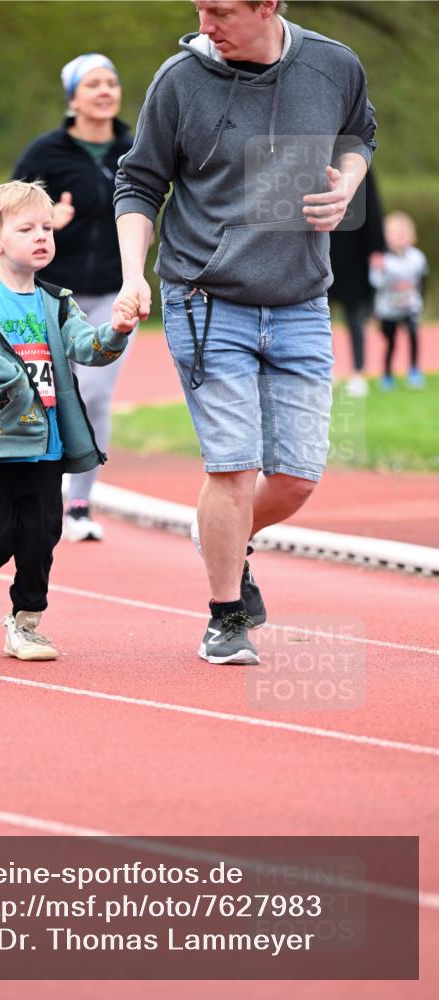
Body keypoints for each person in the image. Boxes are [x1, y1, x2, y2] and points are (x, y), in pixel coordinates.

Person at [113, 0, 376, 665]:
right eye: (199, 9)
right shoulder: (179, 80)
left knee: (294, 479)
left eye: (221, 12)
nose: (205, 25)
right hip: (206, 297)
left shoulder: (333, 65)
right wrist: (131, 275)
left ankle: (221, 535)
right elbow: (138, 181)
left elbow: (359, 137)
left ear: (269, 7)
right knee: (233, 465)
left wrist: (345, 185)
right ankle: (225, 616)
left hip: (299, 299)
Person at [0, 181, 137, 661]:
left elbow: (88, 348)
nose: (41, 237)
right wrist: (11, 375)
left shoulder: (58, 301)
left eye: (47, 228)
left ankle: (25, 624)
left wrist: (118, 330)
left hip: (47, 444)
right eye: (26, 229)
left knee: (40, 538)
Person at [12, 54, 134, 542]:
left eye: (111, 82)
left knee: (96, 394)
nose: (104, 91)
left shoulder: (135, 149)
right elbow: (6, 212)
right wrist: (44, 222)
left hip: (110, 292)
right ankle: (30, 491)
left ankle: (79, 501)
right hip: (49, 296)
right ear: (72, 97)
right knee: (41, 395)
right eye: (92, 84)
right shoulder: (46, 152)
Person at [329, 170, 386, 397]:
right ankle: (326, 370)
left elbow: (373, 207)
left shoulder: (361, 168)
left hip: (355, 252)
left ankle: (359, 372)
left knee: (355, 316)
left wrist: (377, 249)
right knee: (321, 317)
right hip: (323, 250)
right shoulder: (314, 159)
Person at [369, 211, 428, 390]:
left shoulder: (417, 258)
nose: (400, 237)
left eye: (404, 233)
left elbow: (423, 280)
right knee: (391, 342)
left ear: (413, 236)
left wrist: (420, 301)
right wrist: (377, 269)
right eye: (395, 233)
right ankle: (387, 375)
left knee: (413, 335)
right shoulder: (383, 260)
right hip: (388, 310)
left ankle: (414, 371)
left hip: (410, 307)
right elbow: (375, 284)